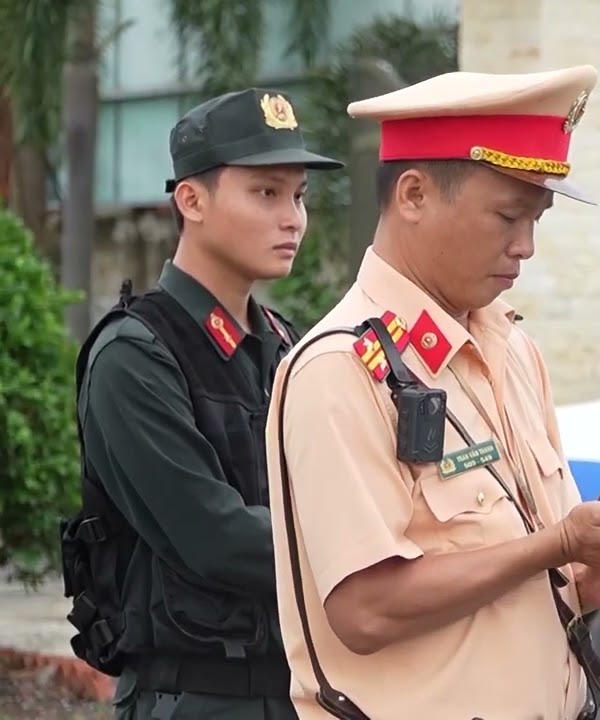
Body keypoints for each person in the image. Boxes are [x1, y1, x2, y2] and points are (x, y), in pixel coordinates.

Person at [264, 65, 600, 720]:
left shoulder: (512, 350)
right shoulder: (340, 368)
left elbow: (523, 565)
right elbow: (364, 609)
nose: (526, 247)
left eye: (537, 218)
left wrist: (589, 579)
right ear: (412, 194)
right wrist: (558, 548)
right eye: (507, 216)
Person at [60, 88, 344, 720]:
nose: (293, 218)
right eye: (266, 193)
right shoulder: (134, 354)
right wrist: (369, 551)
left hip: (303, 692)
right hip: (194, 697)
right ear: (191, 200)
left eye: (298, 195)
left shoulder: (284, 343)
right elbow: (214, 536)